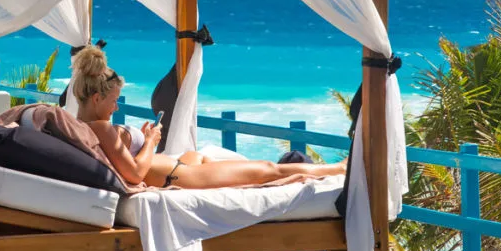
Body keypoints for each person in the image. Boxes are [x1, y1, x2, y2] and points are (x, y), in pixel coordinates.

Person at [69, 46, 346, 190]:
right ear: (96, 99)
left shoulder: (80, 124)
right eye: (114, 101)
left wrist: (139, 142)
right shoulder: (100, 126)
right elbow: (135, 174)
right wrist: (151, 140)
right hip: (178, 176)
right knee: (267, 170)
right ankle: (340, 170)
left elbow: (124, 162)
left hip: (179, 165)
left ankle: (327, 169)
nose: (116, 108)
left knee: (221, 162)